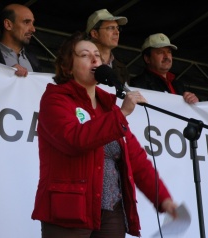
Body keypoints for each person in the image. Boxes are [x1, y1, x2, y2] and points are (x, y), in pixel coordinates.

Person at [31, 31, 178, 238]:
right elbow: (75, 139)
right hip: (70, 211)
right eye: (84, 55)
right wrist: (122, 113)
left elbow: (136, 159)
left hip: (111, 211)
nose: (94, 59)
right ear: (67, 67)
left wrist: (163, 199)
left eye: (97, 55)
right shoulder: (55, 99)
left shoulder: (107, 106)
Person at [129, 33, 199, 104]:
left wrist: (195, 102)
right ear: (147, 59)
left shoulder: (179, 85)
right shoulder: (138, 84)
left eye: (169, 52)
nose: (166, 56)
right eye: (160, 52)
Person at [0, 3, 41, 77]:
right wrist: (6, 73)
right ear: (8, 25)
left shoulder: (34, 60)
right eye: (26, 22)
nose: (33, 29)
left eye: (32, 23)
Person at [86, 9, 130, 85]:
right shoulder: (81, 62)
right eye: (110, 28)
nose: (117, 32)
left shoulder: (122, 68)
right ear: (94, 33)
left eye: (117, 28)